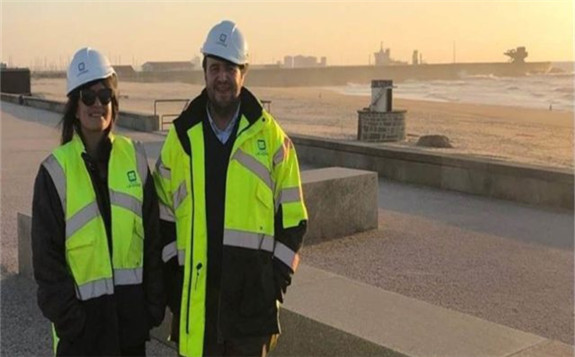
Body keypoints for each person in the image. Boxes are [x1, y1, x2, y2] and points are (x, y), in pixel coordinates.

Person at [153, 20, 308, 357]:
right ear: (205, 71)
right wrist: (172, 283)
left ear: (244, 72)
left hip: (252, 310)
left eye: (230, 68)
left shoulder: (272, 139)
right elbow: (161, 214)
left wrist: (274, 284)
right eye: (215, 68)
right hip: (196, 303)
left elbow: (295, 219)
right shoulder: (181, 139)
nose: (222, 77)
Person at [32, 47, 165, 356]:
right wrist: (74, 325)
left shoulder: (134, 158)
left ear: (113, 102)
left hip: (130, 332)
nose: (97, 104)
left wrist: (152, 308)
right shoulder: (55, 171)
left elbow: (152, 237)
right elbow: (46, 262)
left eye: (104, 95)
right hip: (81, 339)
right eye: (87, 97)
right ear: (74, 105)